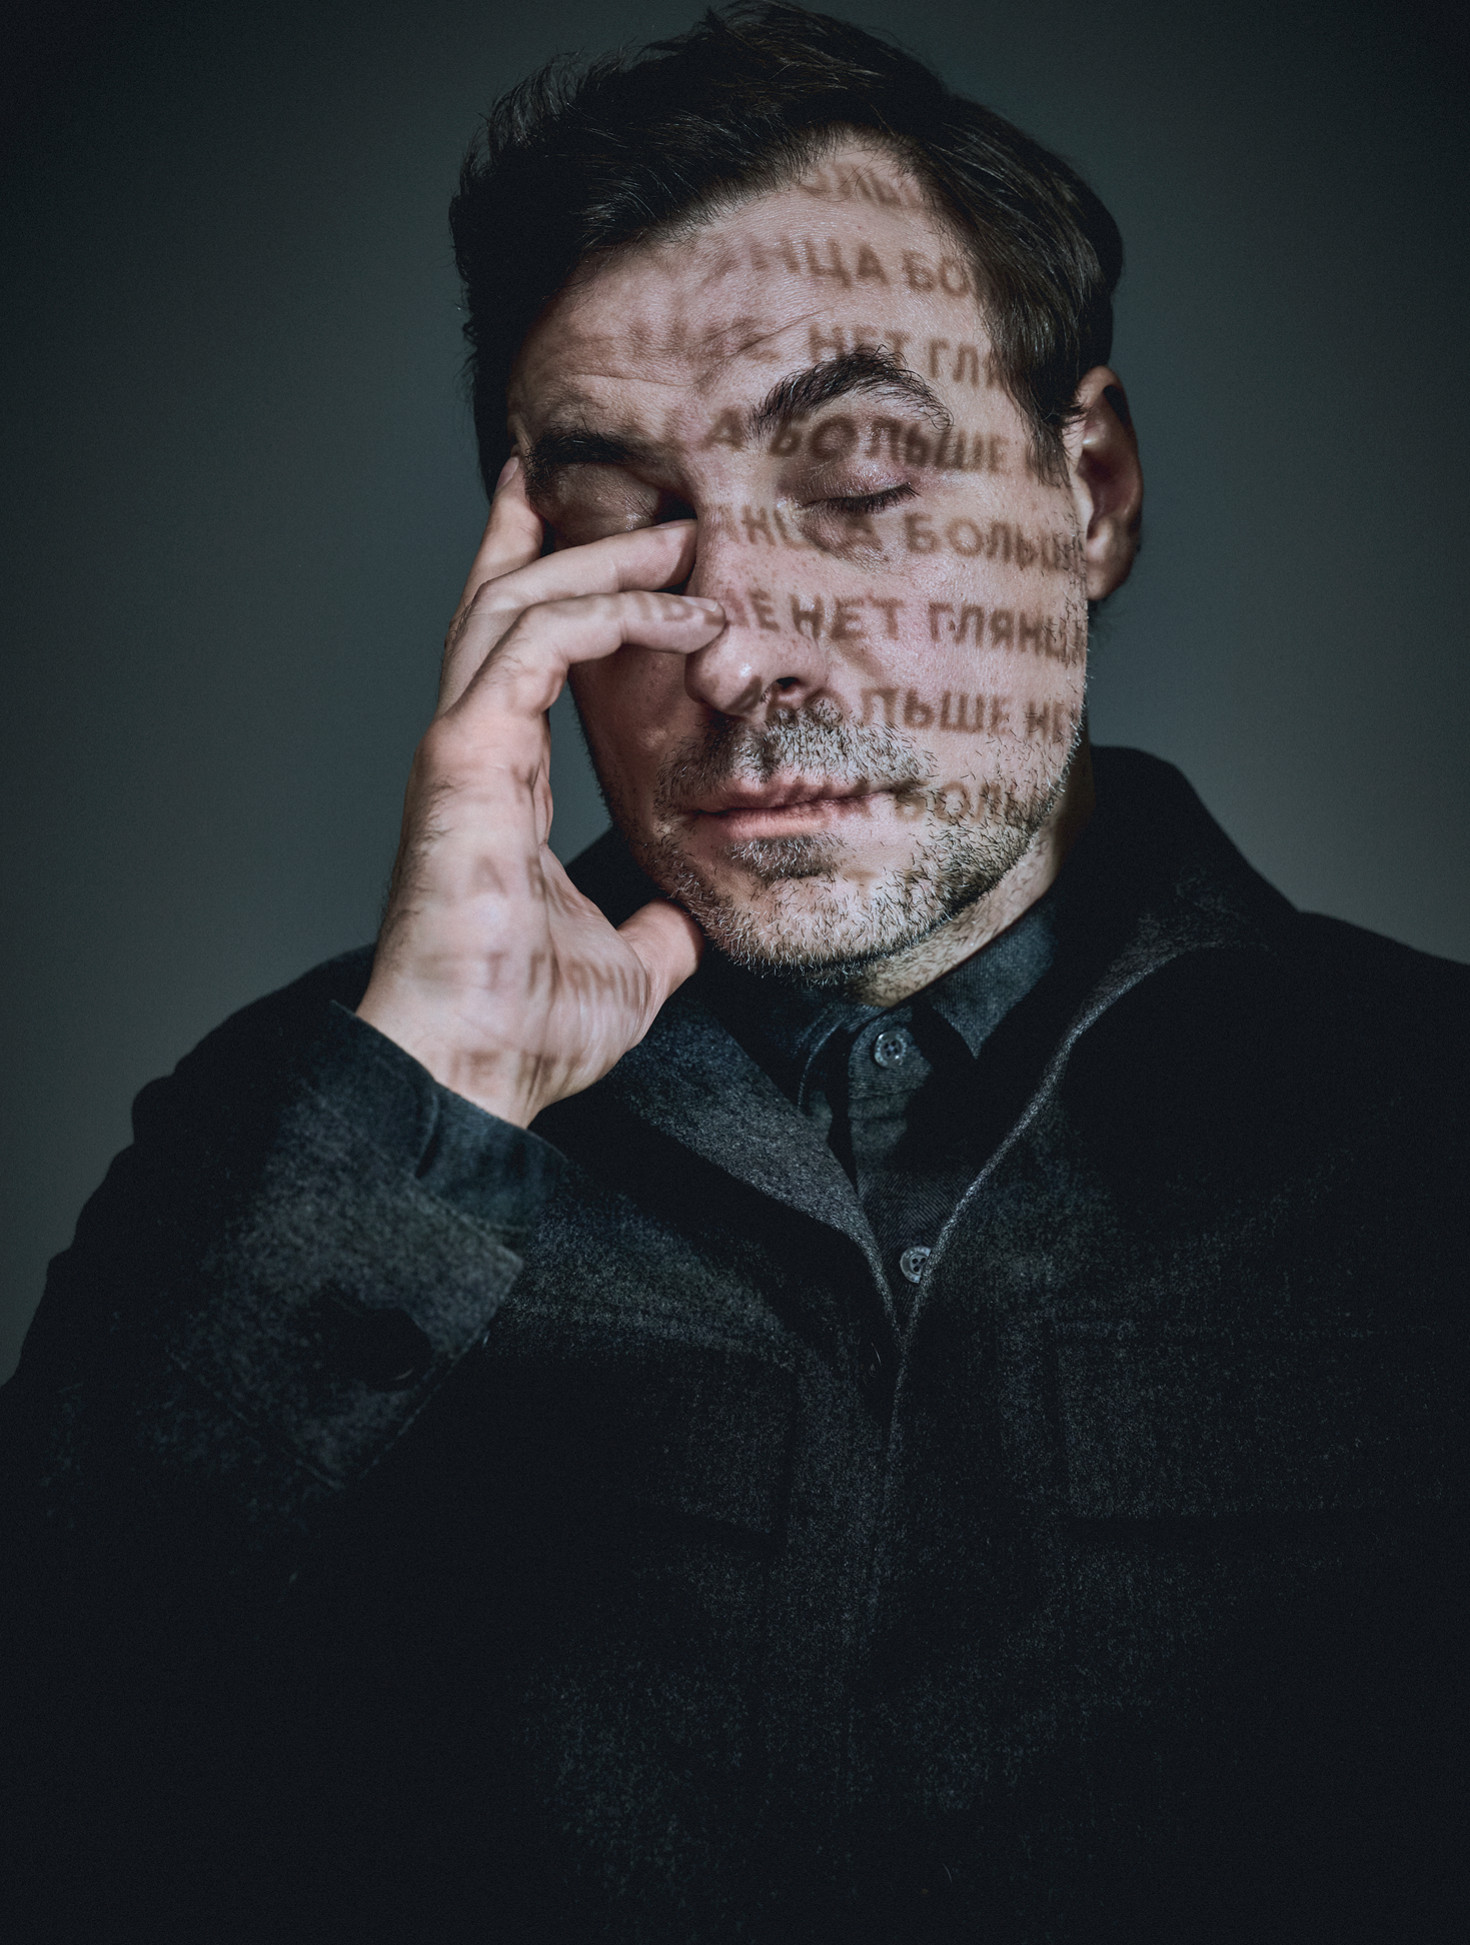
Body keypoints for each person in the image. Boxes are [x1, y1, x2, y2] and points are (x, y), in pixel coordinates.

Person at [2, 6, 1464, 1940]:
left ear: (1090, 491)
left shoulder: (1423, 1131)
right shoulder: (296, 1142)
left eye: (859, 480)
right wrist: (415, 1113)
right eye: (623, 522)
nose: (739, 646)